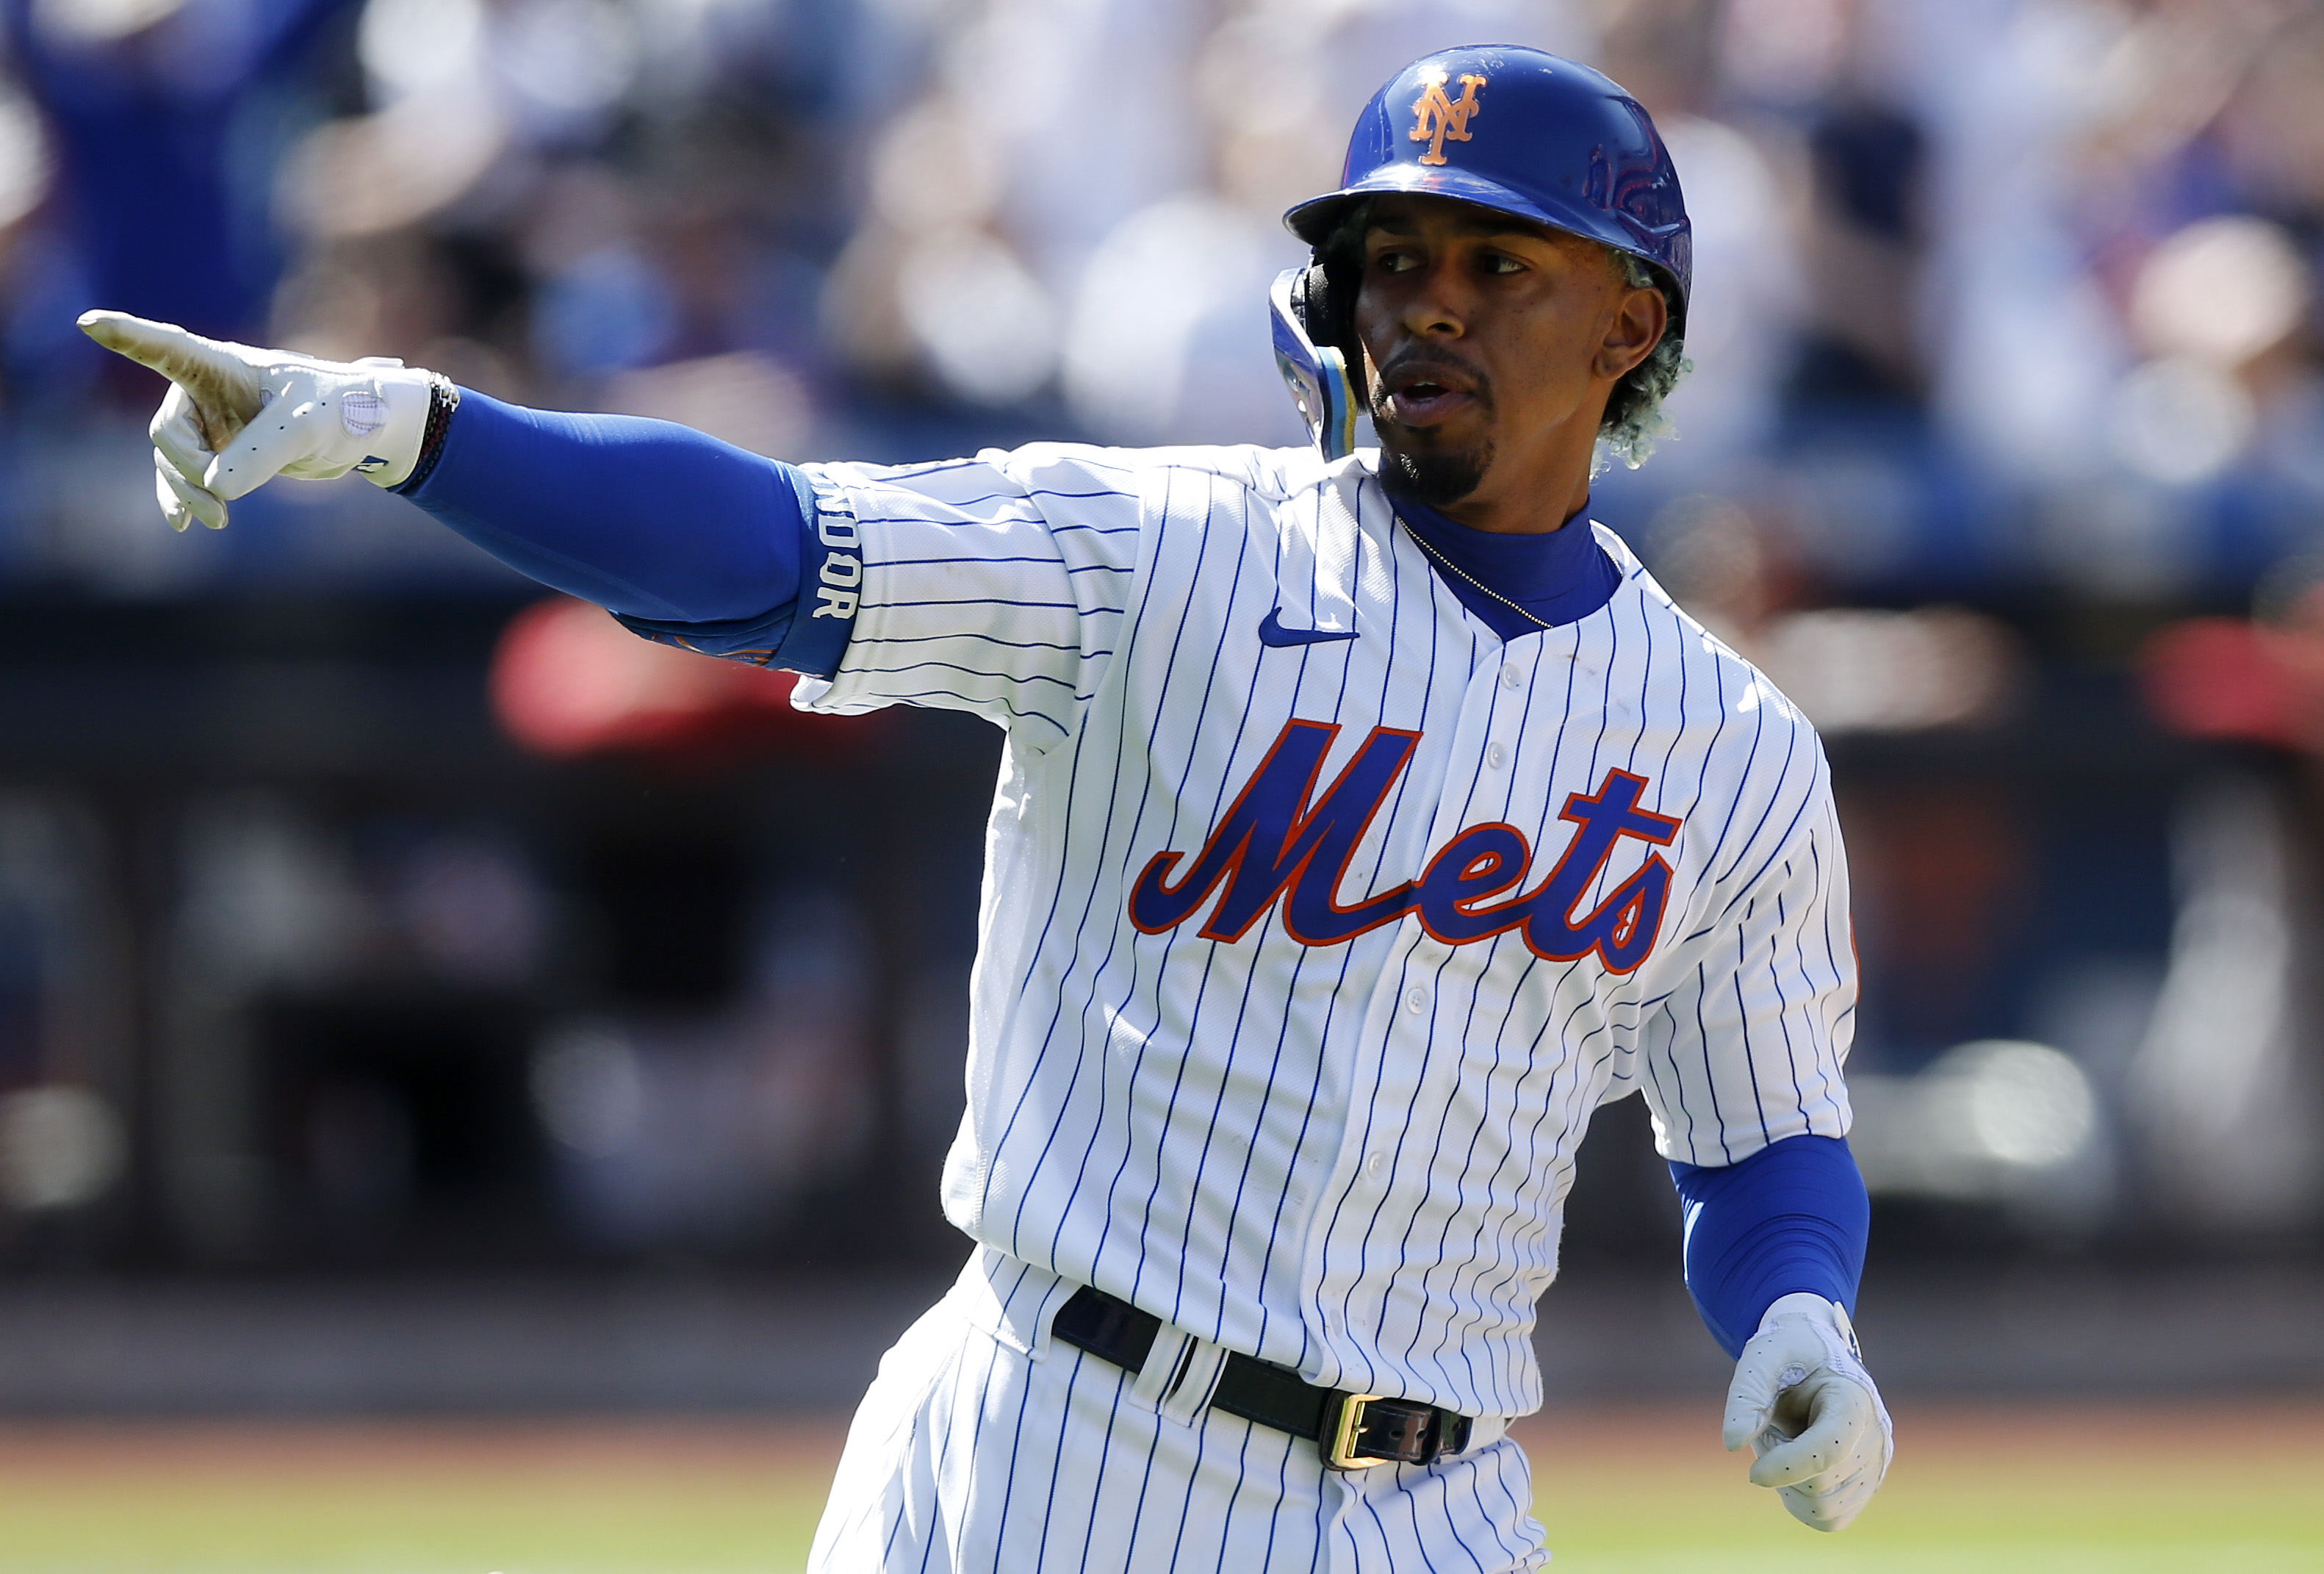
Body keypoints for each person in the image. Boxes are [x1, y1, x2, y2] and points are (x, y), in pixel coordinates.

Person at [86, 44, 1890, 1573]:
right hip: (1064, 1444)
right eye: (1387, 252)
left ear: (1629, 324)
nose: (1423, 296)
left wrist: (1799, 1307)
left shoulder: (1723, 745)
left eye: (1495, 262)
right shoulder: (1159, 551)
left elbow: (1760, 1138)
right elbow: (767, 550)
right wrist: (414, 429)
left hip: (1441, 1502)